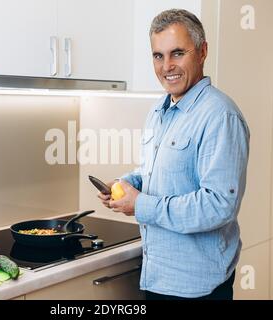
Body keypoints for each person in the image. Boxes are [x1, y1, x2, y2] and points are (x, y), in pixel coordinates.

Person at [97, 9, 250, 300]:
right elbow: (160, 172)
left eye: (177, 53)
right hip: (159, 276)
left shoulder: (220, 116)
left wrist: (140, 204)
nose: (167, 66)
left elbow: (218, 205)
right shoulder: (160, 110)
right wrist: (126, 184)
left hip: (198, 287)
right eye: (158, 56)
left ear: (202, 51)